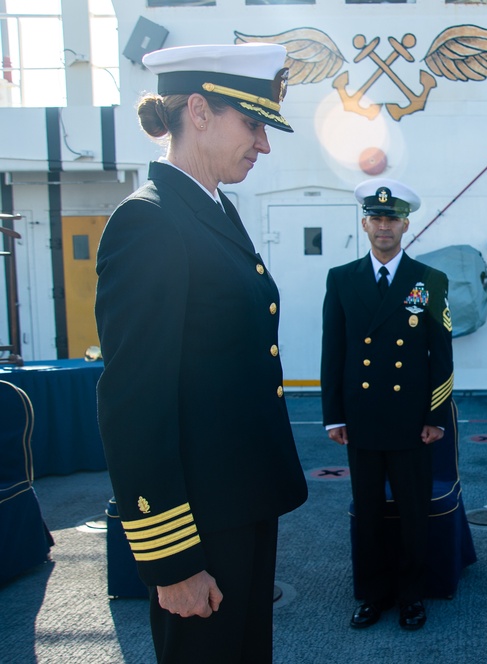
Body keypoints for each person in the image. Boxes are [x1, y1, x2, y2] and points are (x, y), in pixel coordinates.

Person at [95, 43, 307, 663]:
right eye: (254, 123)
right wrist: (172, 562)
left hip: (239, 505)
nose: (264, 144)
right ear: (199, 109)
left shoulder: (214, 208)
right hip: (198, 524)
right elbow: (135, 404)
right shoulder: (151, 223)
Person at [320, 178, 454, 631]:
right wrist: (334, 415)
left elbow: (442, 354)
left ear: (405, 224)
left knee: (415, 512)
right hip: (362, 419)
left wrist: (436, 417)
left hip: (412, 420)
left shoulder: (430, 281)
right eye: (376, 218)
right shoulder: (341, 279)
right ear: (365, 223)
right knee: (368, 513)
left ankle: (412, 594)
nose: (383, 226)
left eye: (391, 218)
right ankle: (373, 595)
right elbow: (333, 352)